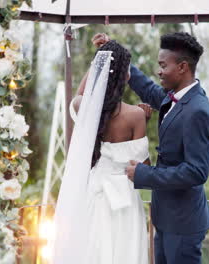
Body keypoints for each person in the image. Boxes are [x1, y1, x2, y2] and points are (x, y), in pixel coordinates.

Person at [96, 32, 209, 264]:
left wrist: (144, 174)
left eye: (163, 66)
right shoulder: (174, 98)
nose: (159, 71)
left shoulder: (198, 110)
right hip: (167, 218)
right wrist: (122, 60)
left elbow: (197, 171)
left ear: (182, 67)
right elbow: (150, 90)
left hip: (183, 223)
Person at [52, 39, 150, 264]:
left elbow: (81, 93)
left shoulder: (82, 108)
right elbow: (142, 166)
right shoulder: (136, 115)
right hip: (124, 199)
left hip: (94, 194)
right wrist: (146, 119)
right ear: (126, 75)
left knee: (92, 250)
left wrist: (99, 62)